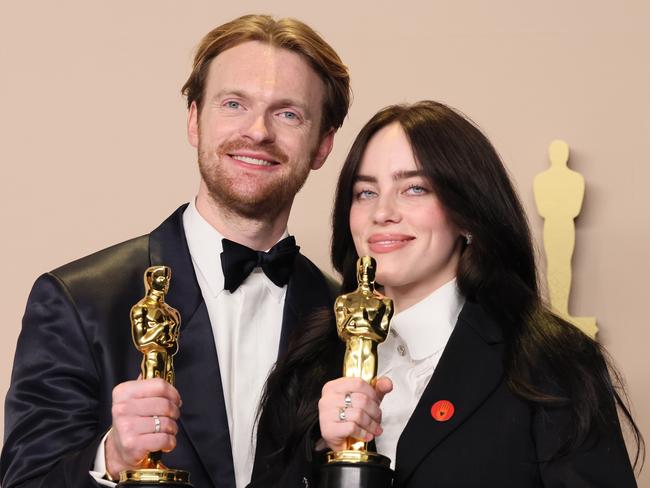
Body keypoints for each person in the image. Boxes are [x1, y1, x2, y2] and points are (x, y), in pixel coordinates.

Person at [0, 14, 350, 488]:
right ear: (194, 120)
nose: (258, 131)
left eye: (288, 113)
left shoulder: (343, 316)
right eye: (233, 103)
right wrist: (112, 457)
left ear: (322, 145)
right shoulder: (76, 301)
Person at [253, 101, 644, 487]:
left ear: (467, 213)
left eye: (415, 188)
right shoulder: (309, 361)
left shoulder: (550, 361)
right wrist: (321, 448)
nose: (382, 212)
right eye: (365, 193)